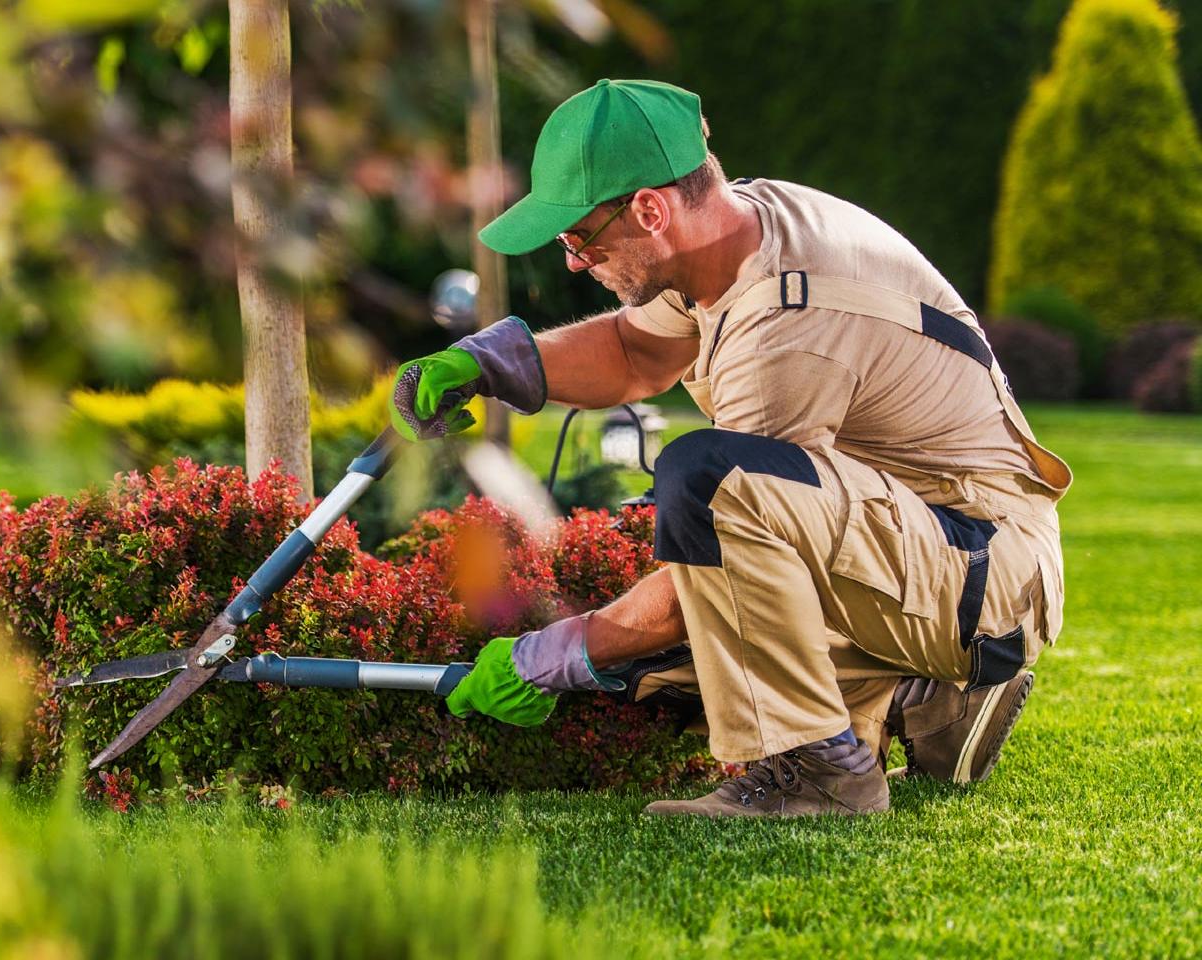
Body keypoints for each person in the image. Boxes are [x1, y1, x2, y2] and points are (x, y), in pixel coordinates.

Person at [392, 79, 1071, 817]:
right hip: (935, 540)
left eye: (578, 238)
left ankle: (824, 771)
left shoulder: (787, 324)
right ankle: (927, 700)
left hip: (983, 573)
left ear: (649, 208)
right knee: (679, 655)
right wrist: (491, 363)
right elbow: (634, 352)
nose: (573, 264)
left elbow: (714, 556)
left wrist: (550, 657)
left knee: (702, 495)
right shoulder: (735, 230)